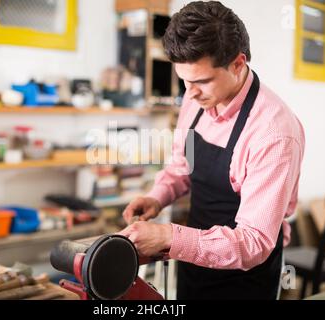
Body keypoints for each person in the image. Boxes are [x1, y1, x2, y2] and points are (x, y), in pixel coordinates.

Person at [119, 1, 305, 300]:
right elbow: (183, 164)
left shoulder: (274, 133)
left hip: (246, 280)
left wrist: (169, 236)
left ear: (238, 64)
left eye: (201, 81)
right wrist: (158, 196)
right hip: (194, 261)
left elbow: (253, 243)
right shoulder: (196, 99)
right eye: (184, 80)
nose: (189, 93)